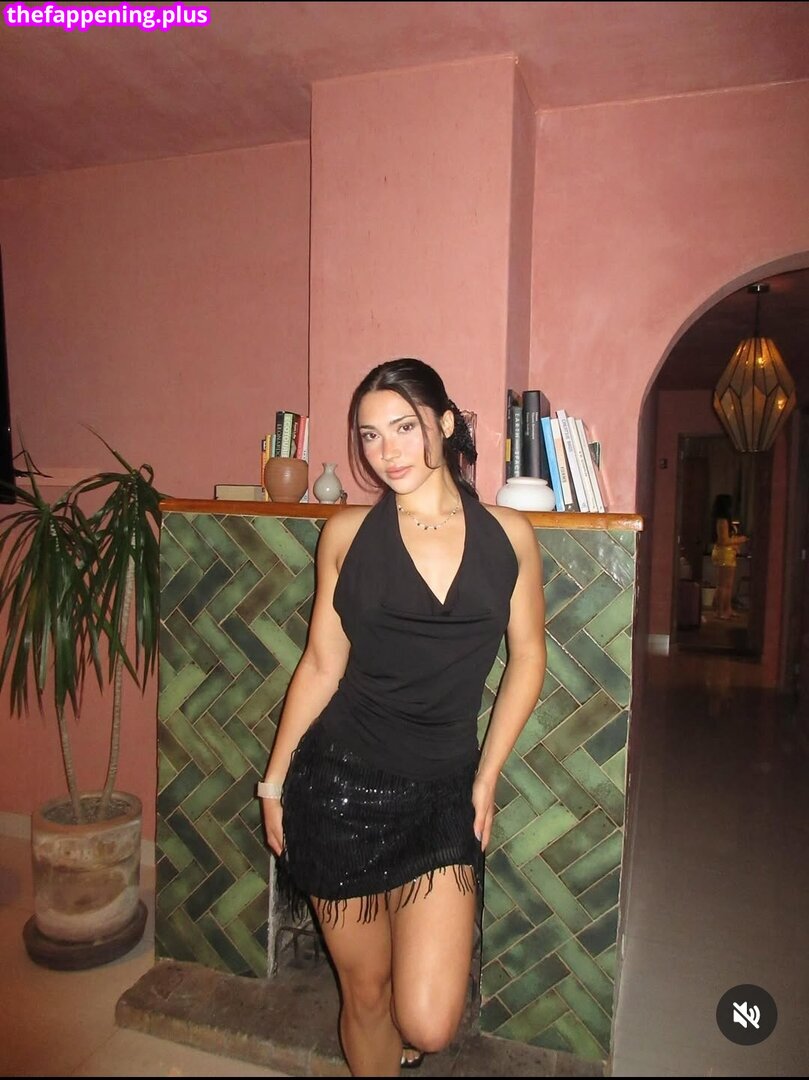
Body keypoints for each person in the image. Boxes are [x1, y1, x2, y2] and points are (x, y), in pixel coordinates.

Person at [259, 358, 546, 1077]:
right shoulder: (346, 534)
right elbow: (320, 666)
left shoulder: (508, 534)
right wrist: (273, 782)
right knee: (366, 994)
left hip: (443, 794)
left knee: (429, 1019)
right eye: (369, 435)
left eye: (403, 428)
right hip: (339, 789)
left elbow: (528, 657)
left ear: (444, 425)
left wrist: (486, 777)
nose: (386, 451)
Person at [710, 493, 747, 620]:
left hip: (727, 553)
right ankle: (721, 611)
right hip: (724, 553)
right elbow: (723, 540)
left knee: (727, 584)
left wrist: (734, 544)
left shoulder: (723, 520)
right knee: (724, 584)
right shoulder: (722, 521)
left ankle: (727, 608)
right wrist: (739, 540)